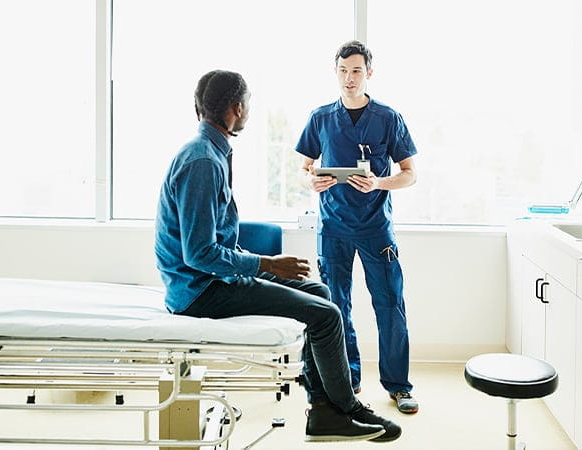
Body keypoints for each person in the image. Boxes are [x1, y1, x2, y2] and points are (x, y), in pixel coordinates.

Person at [154, 69, 401, 443]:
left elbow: (214, 241)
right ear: (237, 108)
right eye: (249, 102)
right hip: (199, 290)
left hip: (215, 278)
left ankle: (323, 411)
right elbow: (200, 254)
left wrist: (261, 265)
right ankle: (345, 410)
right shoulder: (203, 162)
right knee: (327, 316)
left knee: (319, 292)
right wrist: (266, 264)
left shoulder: (211, 152)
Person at [295, 41, 419, 414]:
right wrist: (311, 182)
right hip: (333, 227)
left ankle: (398, 385)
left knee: (390, 305)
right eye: (344, 71)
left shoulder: (388, 118)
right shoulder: (320, 118)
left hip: (375, 228)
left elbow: (410, 174)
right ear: (335, 72)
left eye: (357, 71)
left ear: (369, 73)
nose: (350, 78)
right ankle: (348, 379)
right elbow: (302, 170)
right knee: (336, 307)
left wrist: (379, 183)